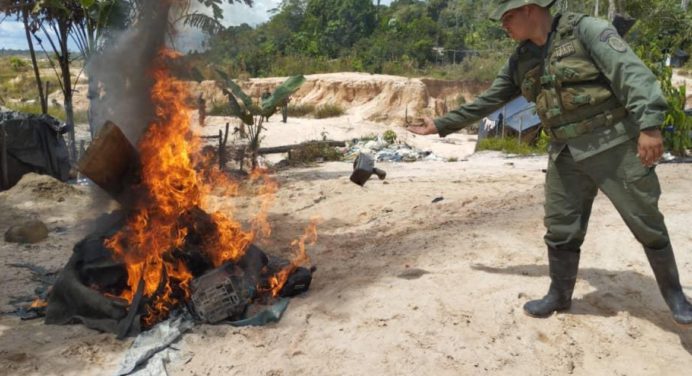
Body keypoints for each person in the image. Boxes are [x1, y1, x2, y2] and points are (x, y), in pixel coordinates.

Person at [407, 0, 692, 325]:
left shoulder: (587, 31)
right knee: (560, 227)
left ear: (530, 8)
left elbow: (631, 74)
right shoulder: (521, 59)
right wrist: (441, 124)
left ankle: (675, 297)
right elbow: (490, 100)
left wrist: (650, 126)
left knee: (646, 220)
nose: (503, 25)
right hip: (565, 152)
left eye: (508, 16)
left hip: (614, 144)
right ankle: (560, 295)